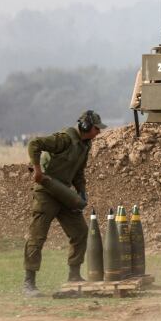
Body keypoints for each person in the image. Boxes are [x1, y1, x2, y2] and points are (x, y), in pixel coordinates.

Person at [23, 110, 106, 297]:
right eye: (96, 128)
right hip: (46, 192)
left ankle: (74, 276)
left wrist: (82, 192)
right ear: (85, 126)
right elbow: (34, 144)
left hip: (65, 194)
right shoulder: (64, 139)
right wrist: (37, 170)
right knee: (37, 237)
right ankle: (29, 283)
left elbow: (78, 173)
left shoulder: (85, 146)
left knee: (80, 232)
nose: (98, 132)